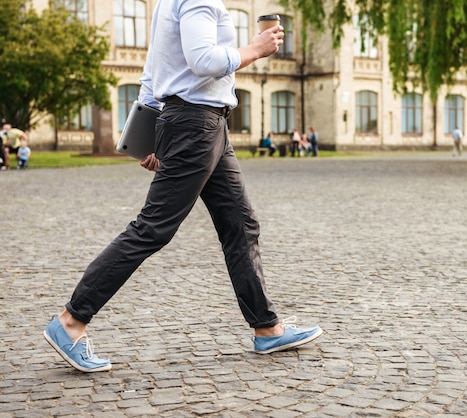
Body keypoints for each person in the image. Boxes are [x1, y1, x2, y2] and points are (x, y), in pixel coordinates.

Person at [43, 0, 322, 373]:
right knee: (152, 228)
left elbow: (153, 67)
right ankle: (70, 321)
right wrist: (255, 49)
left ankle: (267, 328)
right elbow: (202, 61)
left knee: (241, 225)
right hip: (196, 125)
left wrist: (147, 130)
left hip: (207, 125)